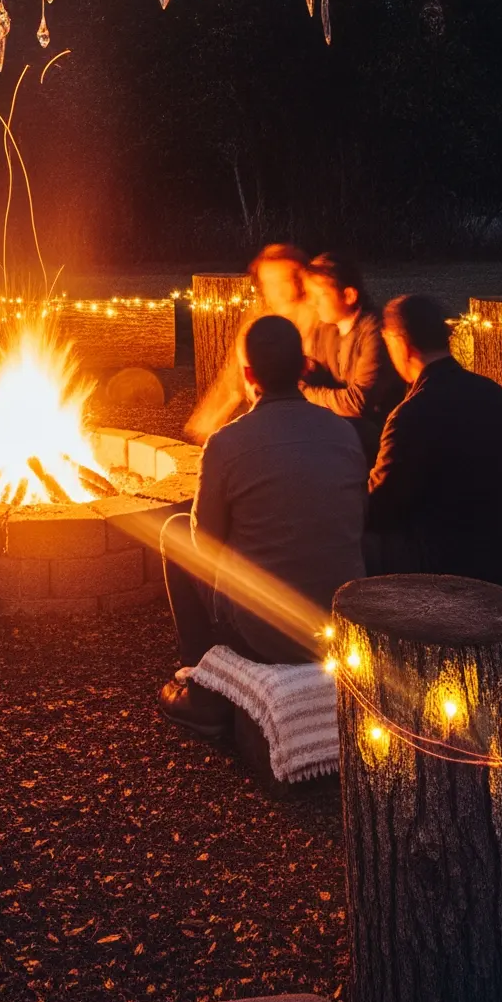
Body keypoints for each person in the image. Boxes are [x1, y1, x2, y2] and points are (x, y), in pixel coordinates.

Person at [160, 314, 367, 736]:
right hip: (340, 619)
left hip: (264, 633)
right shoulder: (345, 434)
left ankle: (204, 685)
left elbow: (205, 545)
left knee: (175, 533)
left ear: (249, 374)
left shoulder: (226, 443)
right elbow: (356, 518)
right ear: (305, 368)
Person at [364, 291, 502, 602]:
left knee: (357, 541)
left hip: (459, 578)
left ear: (399, 342)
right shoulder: (494, 395)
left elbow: (380, 510)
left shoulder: (412, 414)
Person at [184, 239, 313, 443]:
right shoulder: (257, 323)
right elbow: (232, 379)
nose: (275, 291)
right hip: (263, 414)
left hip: (306, 417)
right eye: (268, 283)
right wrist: (207, 422)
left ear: (300, 279)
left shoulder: (315, 318)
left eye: (283, 281)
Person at [300, 251, 405, 455]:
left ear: (349, 295)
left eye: (319, 296)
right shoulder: (325, 328)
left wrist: (304, 393)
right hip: (339, 427)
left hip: (378, 436)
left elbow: (359, 403)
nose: (313, 303)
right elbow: (313, 376)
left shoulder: (374, 331)